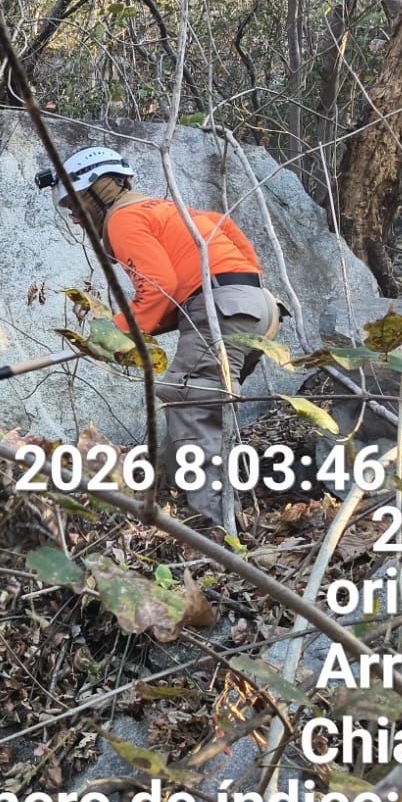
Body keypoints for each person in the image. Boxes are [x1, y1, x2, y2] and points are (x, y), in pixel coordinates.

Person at [45, 145, 280, 533]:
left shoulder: (123, 219)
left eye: (74, 205)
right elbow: (232, 255)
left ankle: (213, 531)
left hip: (220, 308)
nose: (73, 218)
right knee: (196, 401)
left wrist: (109, 334)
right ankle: (169, 494)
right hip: (260, 308)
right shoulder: (177, 213)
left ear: (99, 190)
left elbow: (157, 291)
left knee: (192, 404)